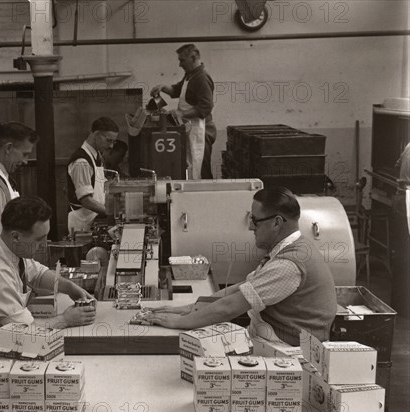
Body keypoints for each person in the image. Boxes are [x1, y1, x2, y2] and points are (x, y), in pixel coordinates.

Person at [143, 187, 337, 346]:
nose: (251, 227)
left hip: (287, 350)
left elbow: (229, 307)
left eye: (255, 221)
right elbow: (241, 288)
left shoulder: (288, 265)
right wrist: (190, 308)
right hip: (270, 337)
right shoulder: (291, 248)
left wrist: (180, 322)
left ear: (277, 222)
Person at [0, 196, 97, 353]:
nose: (44, 244)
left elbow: (37, 273)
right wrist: (66, 319)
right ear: (16, 236)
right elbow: (26, 331)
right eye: (39, 239)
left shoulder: (3, 243)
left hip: (4, 338)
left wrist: (69, 287)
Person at [151, 44, 217, 180]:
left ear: (193, 58)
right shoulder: (190, 75)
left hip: (201, 132)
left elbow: (205, 106)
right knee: (191, 166)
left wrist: (181, 114)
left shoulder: (202, 78)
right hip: (190, 129)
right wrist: (163, 87)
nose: (180, 64)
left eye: (182, 60)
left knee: (201, 170)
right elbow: (176, 91)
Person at [66, 116, 119, 232]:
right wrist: (113, 212)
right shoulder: (82, 161)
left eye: (113, 142)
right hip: (83, 224)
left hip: (93, 219)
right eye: (109, 140)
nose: (111, 146)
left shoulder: (96, 156)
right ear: (97, 134)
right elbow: (86, 200)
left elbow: (97, 187)